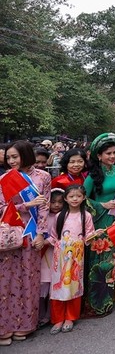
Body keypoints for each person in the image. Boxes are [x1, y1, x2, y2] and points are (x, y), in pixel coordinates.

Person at [0, 141, 51, 345]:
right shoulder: (4, 178)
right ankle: (4, 328)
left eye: (15, 156)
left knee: (28, 280)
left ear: (26, 154)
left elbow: (45, 207)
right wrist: (26, 204)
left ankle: (24, 325)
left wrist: (41, 234)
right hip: (10, 235)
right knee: (6, 281)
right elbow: (1, 207)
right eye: (9, 158)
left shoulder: (43, 176)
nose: (11, 161)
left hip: (31, 234)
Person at [83, 132, 115, 317]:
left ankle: (113, 298)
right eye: (108, 153)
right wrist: (102, 204)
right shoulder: (93, 176)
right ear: (99, 156)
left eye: (114, 152)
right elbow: (81, 198)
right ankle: (97, 304)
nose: (112, 156)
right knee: (100, 262)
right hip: (100, 222)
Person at [47, 184, 95, 334]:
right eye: (71, 196)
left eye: (78, 196)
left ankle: (70, 317)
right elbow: (54, 236)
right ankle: (57, 319)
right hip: (60, 256)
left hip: (77, 257)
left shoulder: (86, 216)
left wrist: (94, 235)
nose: (75, 199)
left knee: (74, 285)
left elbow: (88, 236)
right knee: (58, 286)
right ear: (66, 199)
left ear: (84, 198)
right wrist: (43, 242)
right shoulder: (59, 216)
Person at [40, 190, 65, 328]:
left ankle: (50, 314)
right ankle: (40, 314)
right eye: (53, 202)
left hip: (56, 253)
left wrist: (47, 242)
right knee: (42, 283)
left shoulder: (63, 216)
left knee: (53, 283)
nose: (56, 205)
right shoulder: (42, 216)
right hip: (43, 254)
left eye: (60, 202)